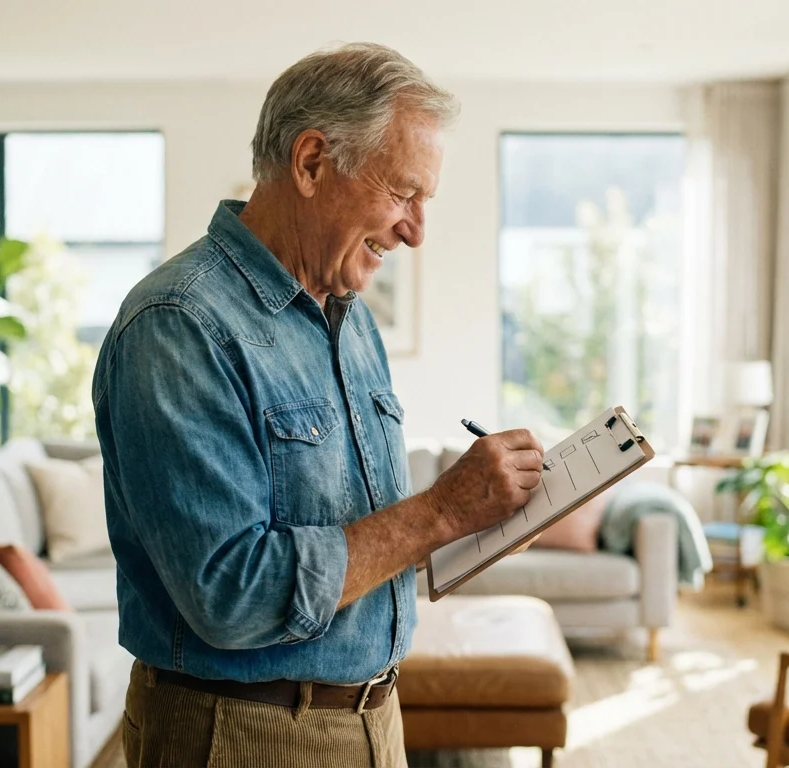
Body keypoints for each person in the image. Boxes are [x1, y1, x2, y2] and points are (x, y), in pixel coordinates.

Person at [93, 42, 545, 768]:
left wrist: (479, 526)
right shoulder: (178, 325)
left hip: (373, 719)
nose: (416, 230)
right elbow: (230, 594)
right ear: (311, 163)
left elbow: (365, 545)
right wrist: (440, 510)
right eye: (404, 193)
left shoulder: (349, 315)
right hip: (244, 736)